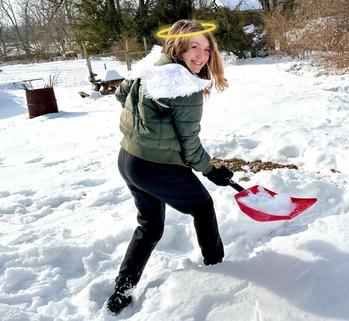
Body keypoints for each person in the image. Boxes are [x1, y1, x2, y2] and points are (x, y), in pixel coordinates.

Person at [106, 19, 233, 315]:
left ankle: (122, 291)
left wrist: (148, 124)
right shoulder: (184, 86)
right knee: (202, 207)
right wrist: (211, 170)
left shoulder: (152, 66)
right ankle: (219, 268)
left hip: (129, 160)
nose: (201, 56)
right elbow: (190, 144)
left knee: (150, 227)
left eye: (206, 48)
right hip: (156, 167)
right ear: (178, 46)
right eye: (193, 47)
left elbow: (122, 94)